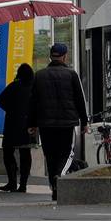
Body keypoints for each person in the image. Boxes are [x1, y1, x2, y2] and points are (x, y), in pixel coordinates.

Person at [27, 42, 88, 195]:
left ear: (50, 56)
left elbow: (33, 102)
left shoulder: (39, 75)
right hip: (66, 123)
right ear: (64, 56)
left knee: (50, 154)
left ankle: (54, 186)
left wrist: (32, 123)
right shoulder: (72, 74)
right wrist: (85, 122)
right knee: (65, 153)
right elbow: (80, 100)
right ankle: (59, 176)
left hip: (45, 124)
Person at [0, 63, 36, 190]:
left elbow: (0, 100)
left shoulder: (13, 86)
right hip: (28, 124)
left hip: (12, 124)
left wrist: (11, 110)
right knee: (25, 153)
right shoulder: (34, 88)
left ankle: (12, 181)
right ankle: (23, 184)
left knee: (8, 152)